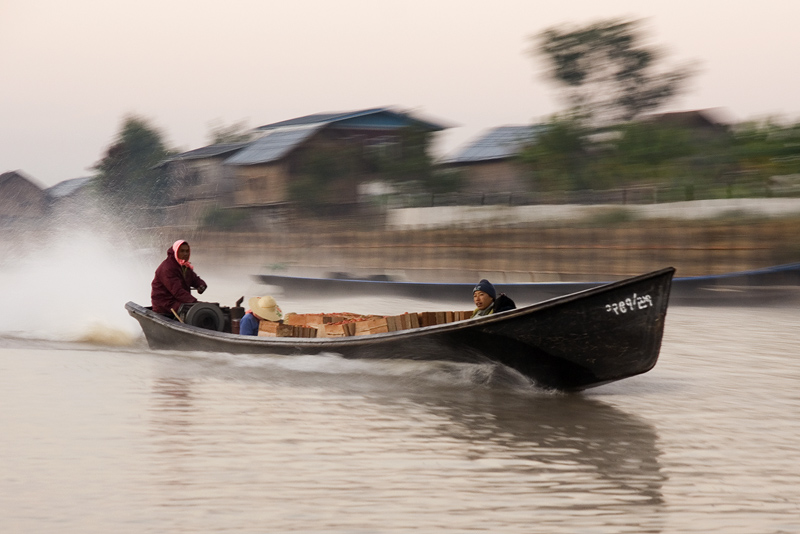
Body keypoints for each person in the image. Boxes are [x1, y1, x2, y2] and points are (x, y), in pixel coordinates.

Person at [151, 240, 207, 317]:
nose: (185, 254)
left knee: (206, 308)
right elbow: (177, 291)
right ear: (175, 252)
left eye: (187, 251)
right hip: (165, 305)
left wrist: (201, 285)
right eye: (182, 251)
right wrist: (195, 303)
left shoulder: (184, 266)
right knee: (200, 311)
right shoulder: (167, 268)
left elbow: (194, 279)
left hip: (179, 302)